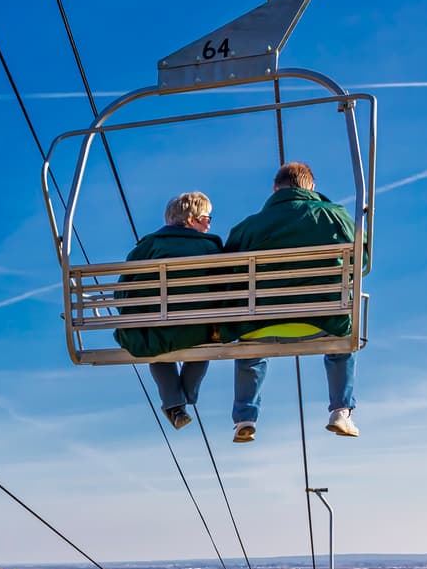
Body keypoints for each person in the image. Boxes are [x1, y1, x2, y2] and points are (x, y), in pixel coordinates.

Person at [223, 163, 359, 443]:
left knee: (250, 351)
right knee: (342, 344)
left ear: (275, 189)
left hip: (260, 324)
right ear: (312, 187)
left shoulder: (247, 227)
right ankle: (340, 411)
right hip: (322, 321)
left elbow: (228, 273)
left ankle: (245, 418)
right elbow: (361, 262)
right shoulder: (336, 216)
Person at [113, 192, 225, 430]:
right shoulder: (211, 247)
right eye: (207, 218)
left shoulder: (147, 246)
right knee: (206, 343)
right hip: (199, 330)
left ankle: (174, 403)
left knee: (155, 348)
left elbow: (123, 289)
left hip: (155, 330)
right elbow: (225, 288)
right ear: (192, 219)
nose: (209, 224)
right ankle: (186, 395)